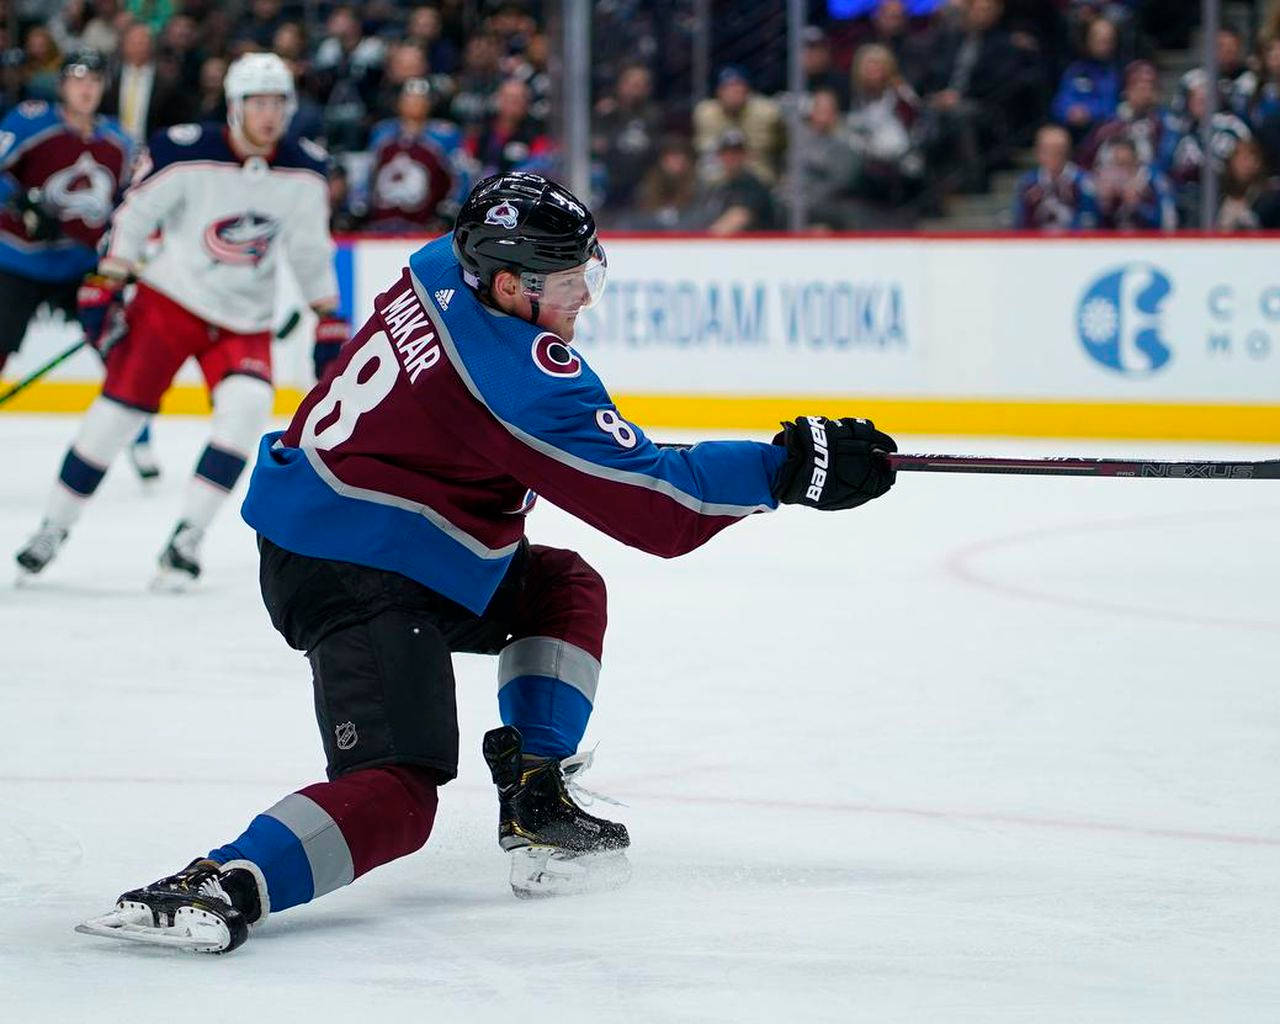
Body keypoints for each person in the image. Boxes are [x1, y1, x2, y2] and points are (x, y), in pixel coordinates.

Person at [72, 171, 897, 953]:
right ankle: (222, 883)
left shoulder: (443, 264)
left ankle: (535, 795)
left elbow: (553, 443)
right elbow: (659, 508)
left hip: (355, 519)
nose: (582, 299)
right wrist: (790, 470)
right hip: (350, 562)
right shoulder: (517, 378)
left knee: (561, 589)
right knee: (398, 787)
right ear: (510, 288)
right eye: (567, 283)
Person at [15, 53, 348, 586]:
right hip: (169, 303)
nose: (269, 115)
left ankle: (186, 539)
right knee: (116, 417)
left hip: (245, 319)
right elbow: (136, 212)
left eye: (278, 103)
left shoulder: (306, 169)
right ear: (235, 107)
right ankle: (53, 527)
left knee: (247, 409)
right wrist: (111, 276)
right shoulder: (185, 150)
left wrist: (326, 313)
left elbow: (309, 250)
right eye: (257, 103)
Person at [0, 50, 161, 477]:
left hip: (83, 267)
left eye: (94, 79)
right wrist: (20, 200)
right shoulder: (29, 120)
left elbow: (138, 200)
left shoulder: (121, 142)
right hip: (17, 260)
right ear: (62, 86)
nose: (86, 87)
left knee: (119, 347)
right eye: (77, 79)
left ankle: (138, 438)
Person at [365, 78, 466, 231]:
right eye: (409, 97)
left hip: (426, 225)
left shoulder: (445, 135)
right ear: (398, 102)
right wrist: (360, 203)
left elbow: (461, 175)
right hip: (382, 222)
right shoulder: (382, 132)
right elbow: (368, 172)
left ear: (429, 103)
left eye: (420, 98)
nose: (414, 103)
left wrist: (449, 209)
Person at [1012, 123, 1098, 230]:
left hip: (1075, 242)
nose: (1052, 155)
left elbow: (1089, 220)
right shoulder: (1028, 182)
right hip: (1037, 243)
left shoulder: (1083, 181)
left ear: (1067, 151)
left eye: (1058, 150)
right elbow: (1020, 221)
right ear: (1038, 152)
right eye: (1046, 150)